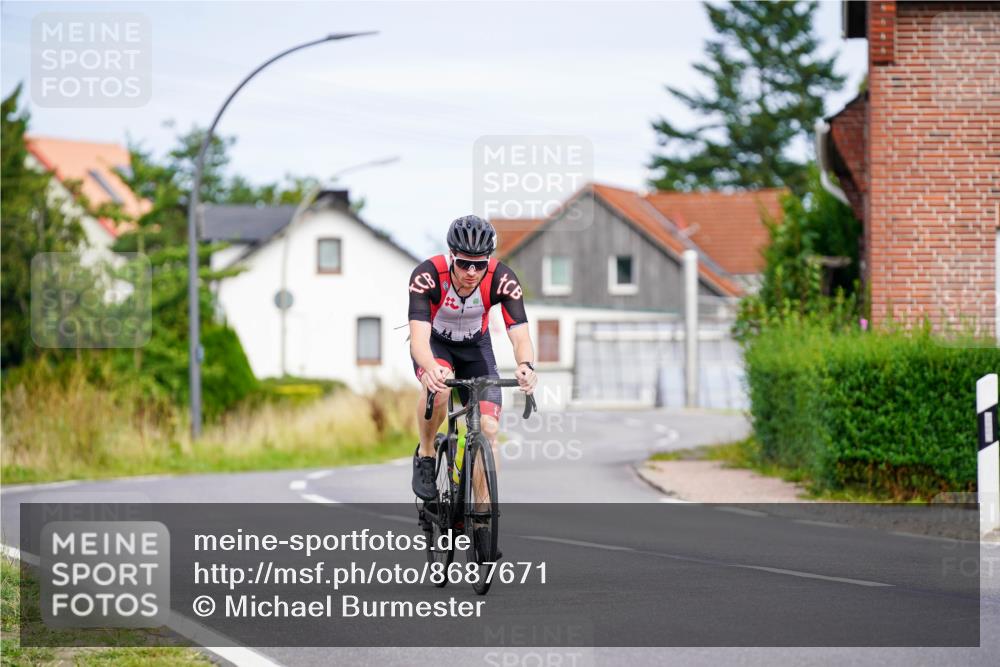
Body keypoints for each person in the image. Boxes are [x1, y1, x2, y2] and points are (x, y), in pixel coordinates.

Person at [408, 214, 537, 503]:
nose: (470, 272)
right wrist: (430, 368)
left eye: (478, 265)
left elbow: (520, 336)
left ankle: (481, 516)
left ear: (488, 260)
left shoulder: (502, 279)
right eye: (463, 263)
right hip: (435, 345)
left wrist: (526, 366)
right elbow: (418, 340)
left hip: (475, 348)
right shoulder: (428, 275)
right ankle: (426, 453)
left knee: (489, 431)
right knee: (438, 390)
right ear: (451, 255)